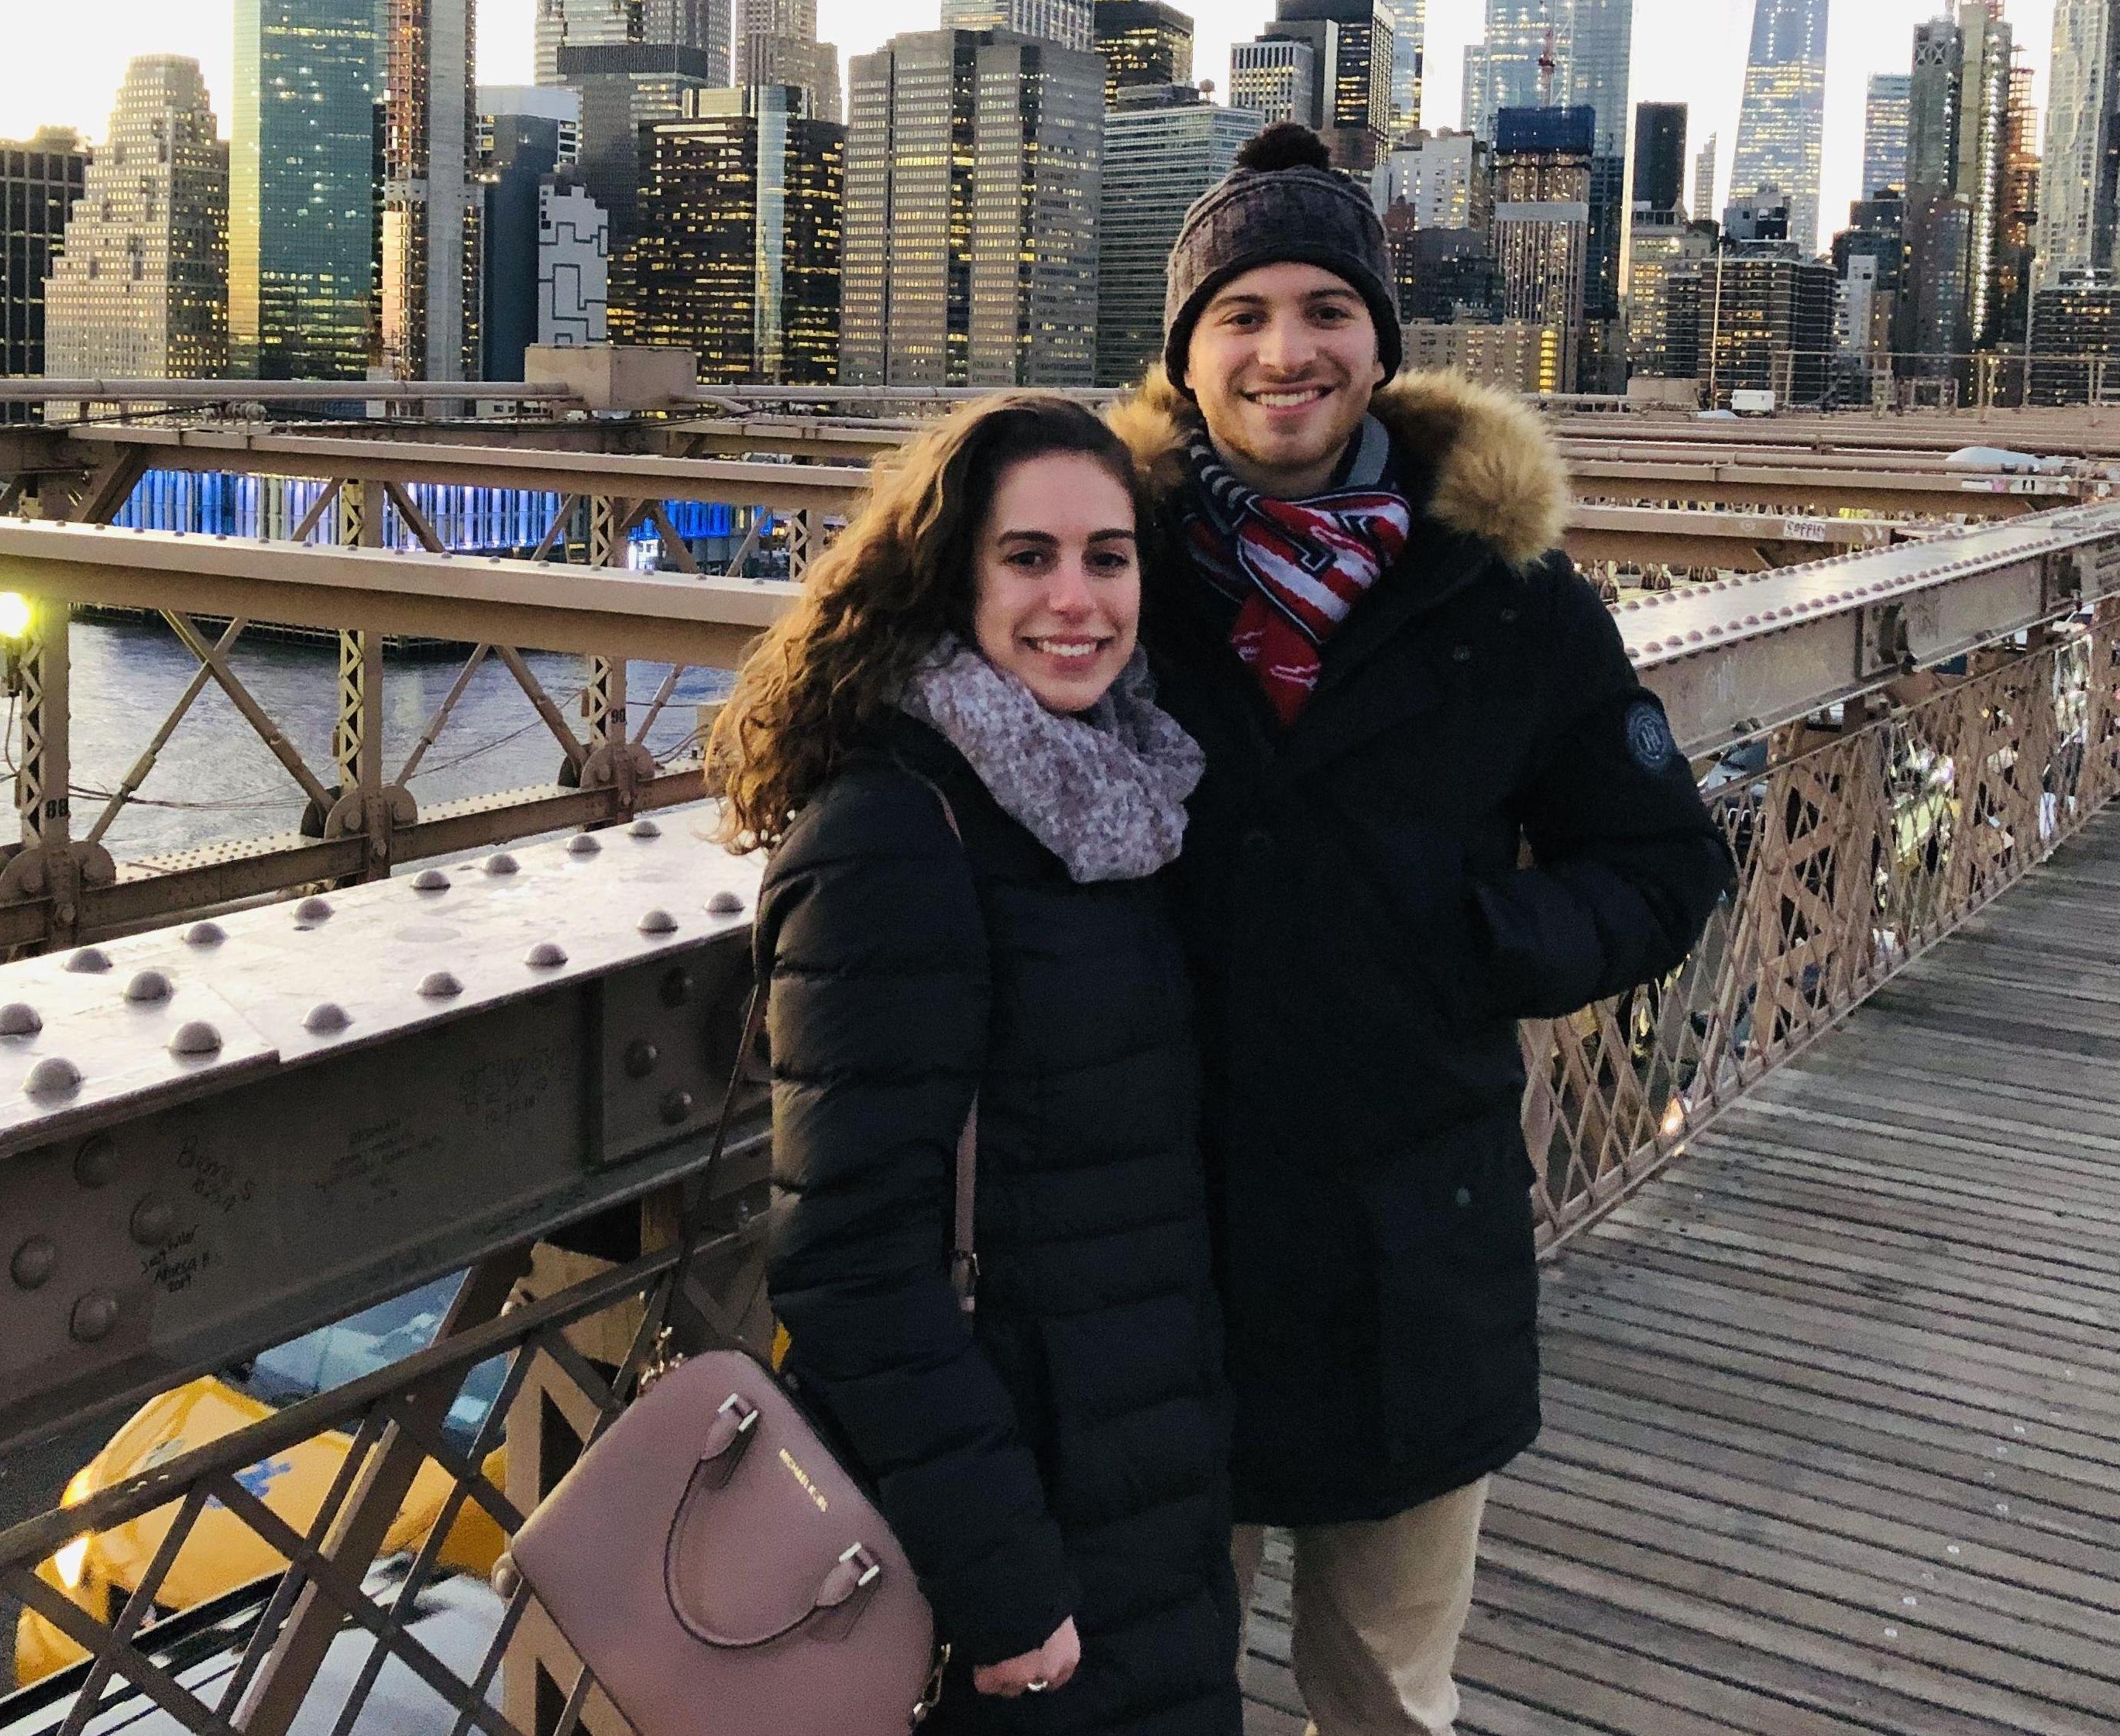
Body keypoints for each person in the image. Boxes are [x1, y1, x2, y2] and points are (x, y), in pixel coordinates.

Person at [1108, 122, 1735, 1736]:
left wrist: (1478, 944)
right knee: (1147, 1682)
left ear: (1381, 341)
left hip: (1411, 1237)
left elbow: (1662, 861)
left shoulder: (1510, 596)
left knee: (1385, 1694)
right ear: (1188, 355)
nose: (1284, 348)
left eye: (1326, 305)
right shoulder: (1101, 577)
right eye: (1239, 314)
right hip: (1150, 1232)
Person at [710, 393, 1242, 1736]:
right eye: (1027, 558)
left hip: (1135, 1504)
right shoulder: (896, 833)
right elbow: (846, 1262)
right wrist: (1006, 1591)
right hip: (1003, 1555)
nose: (1076, 599)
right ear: (949, 577)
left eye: (1107, 559)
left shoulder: (1126, 800)